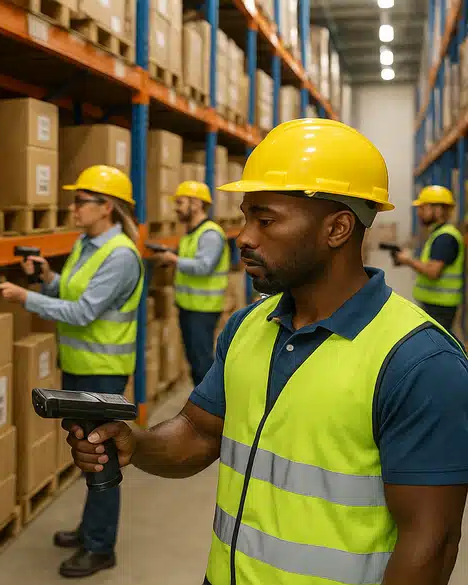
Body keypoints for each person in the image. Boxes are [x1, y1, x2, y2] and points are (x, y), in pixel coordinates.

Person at [61, 119, 468, 585]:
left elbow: (430, 546)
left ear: (337, 228)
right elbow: (198, 432)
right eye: (245, 216)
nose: (244, 237)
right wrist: (136, 443)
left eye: (266, 219)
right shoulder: (248, 326)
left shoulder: (420, 363)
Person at [0, 164, 143, 578]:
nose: (72, 207)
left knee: (102, 457)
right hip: (79, 365)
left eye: (80, 201)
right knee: (86, 453)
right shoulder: (87, 244)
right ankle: (89, 528)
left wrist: (26, 297)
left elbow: (82, 311)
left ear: (106, 206)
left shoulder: (121, 256)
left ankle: (100, 546)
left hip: (103, 372)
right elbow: (72, 291)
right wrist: (47, 278)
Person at [152, 180, 230, 387]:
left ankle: (211, 411)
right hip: (188, 306)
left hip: (203, 309)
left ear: (196, 204)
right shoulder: (191, 234)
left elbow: (205, 266)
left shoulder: (210, 234)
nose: (176, 208)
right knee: (195, 361)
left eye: (180, 203)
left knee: (202, 362)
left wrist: (174, 260)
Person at [395, 185, 464, 332]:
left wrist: (408, 260)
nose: (419, 212)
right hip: (436, 305)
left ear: (438, 210)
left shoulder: (445, 237)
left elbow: (433, 272)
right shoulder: (439, 234)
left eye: (423, 207)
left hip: (440, 307)